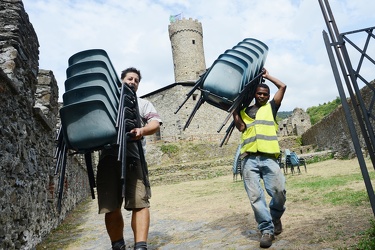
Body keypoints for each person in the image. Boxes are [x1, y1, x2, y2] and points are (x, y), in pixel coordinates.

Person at [96, 67, 162, 250]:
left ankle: (140, 247)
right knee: (111, 206)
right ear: (121, 80)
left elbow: (155, 123)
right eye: (129, 79)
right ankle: (118, 246)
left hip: (134, 158)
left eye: (136, 80)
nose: (133, 82)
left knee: (140, 203)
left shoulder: (143, 104)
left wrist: (142, 130)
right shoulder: (109, 103)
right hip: (108, 158)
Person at [232, 68, 287, 248]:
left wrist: (266, 76)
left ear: (268, 95)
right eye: (259, 93)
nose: (262, 96)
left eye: (265, 94)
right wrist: (235, 109)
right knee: (255, 197)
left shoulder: (271, 108)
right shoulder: (244, 111)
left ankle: (275, 217)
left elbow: (283, 86)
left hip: (269, 158)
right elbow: (240, 128)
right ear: (254, 94)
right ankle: (266, 230)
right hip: (249, 160)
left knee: (279, 192)